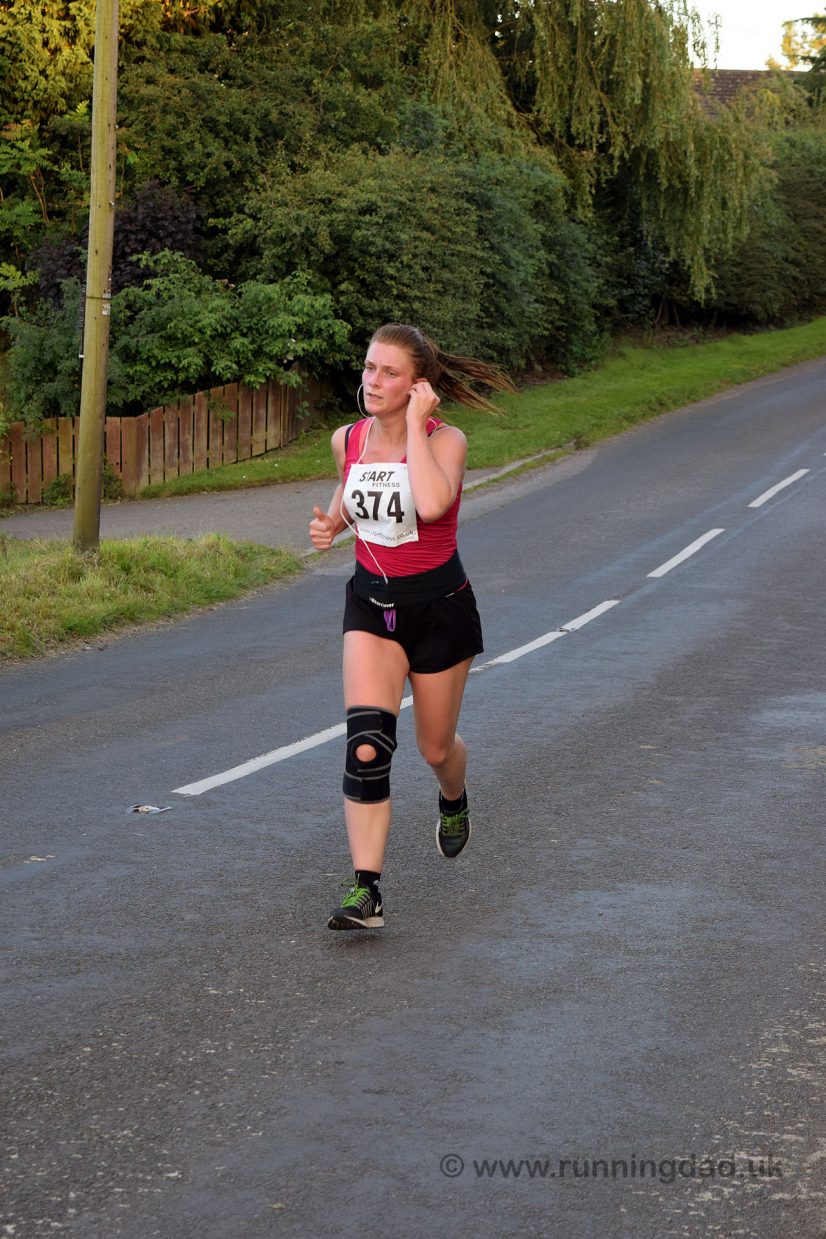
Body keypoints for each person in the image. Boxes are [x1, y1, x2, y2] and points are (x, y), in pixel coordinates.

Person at [309, 323, 514, 931]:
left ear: (417, 385)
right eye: (369, 368)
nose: (373, 381)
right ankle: (366, 889)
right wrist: (332, 525)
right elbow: (351, 491)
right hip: (371, 607)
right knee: (367, 746)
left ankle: (454, 796)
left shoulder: (447, 441)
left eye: (389, 372)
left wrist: (418, 427)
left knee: (435, 748)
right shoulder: (347, 438)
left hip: (439, 610)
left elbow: (429, 504)